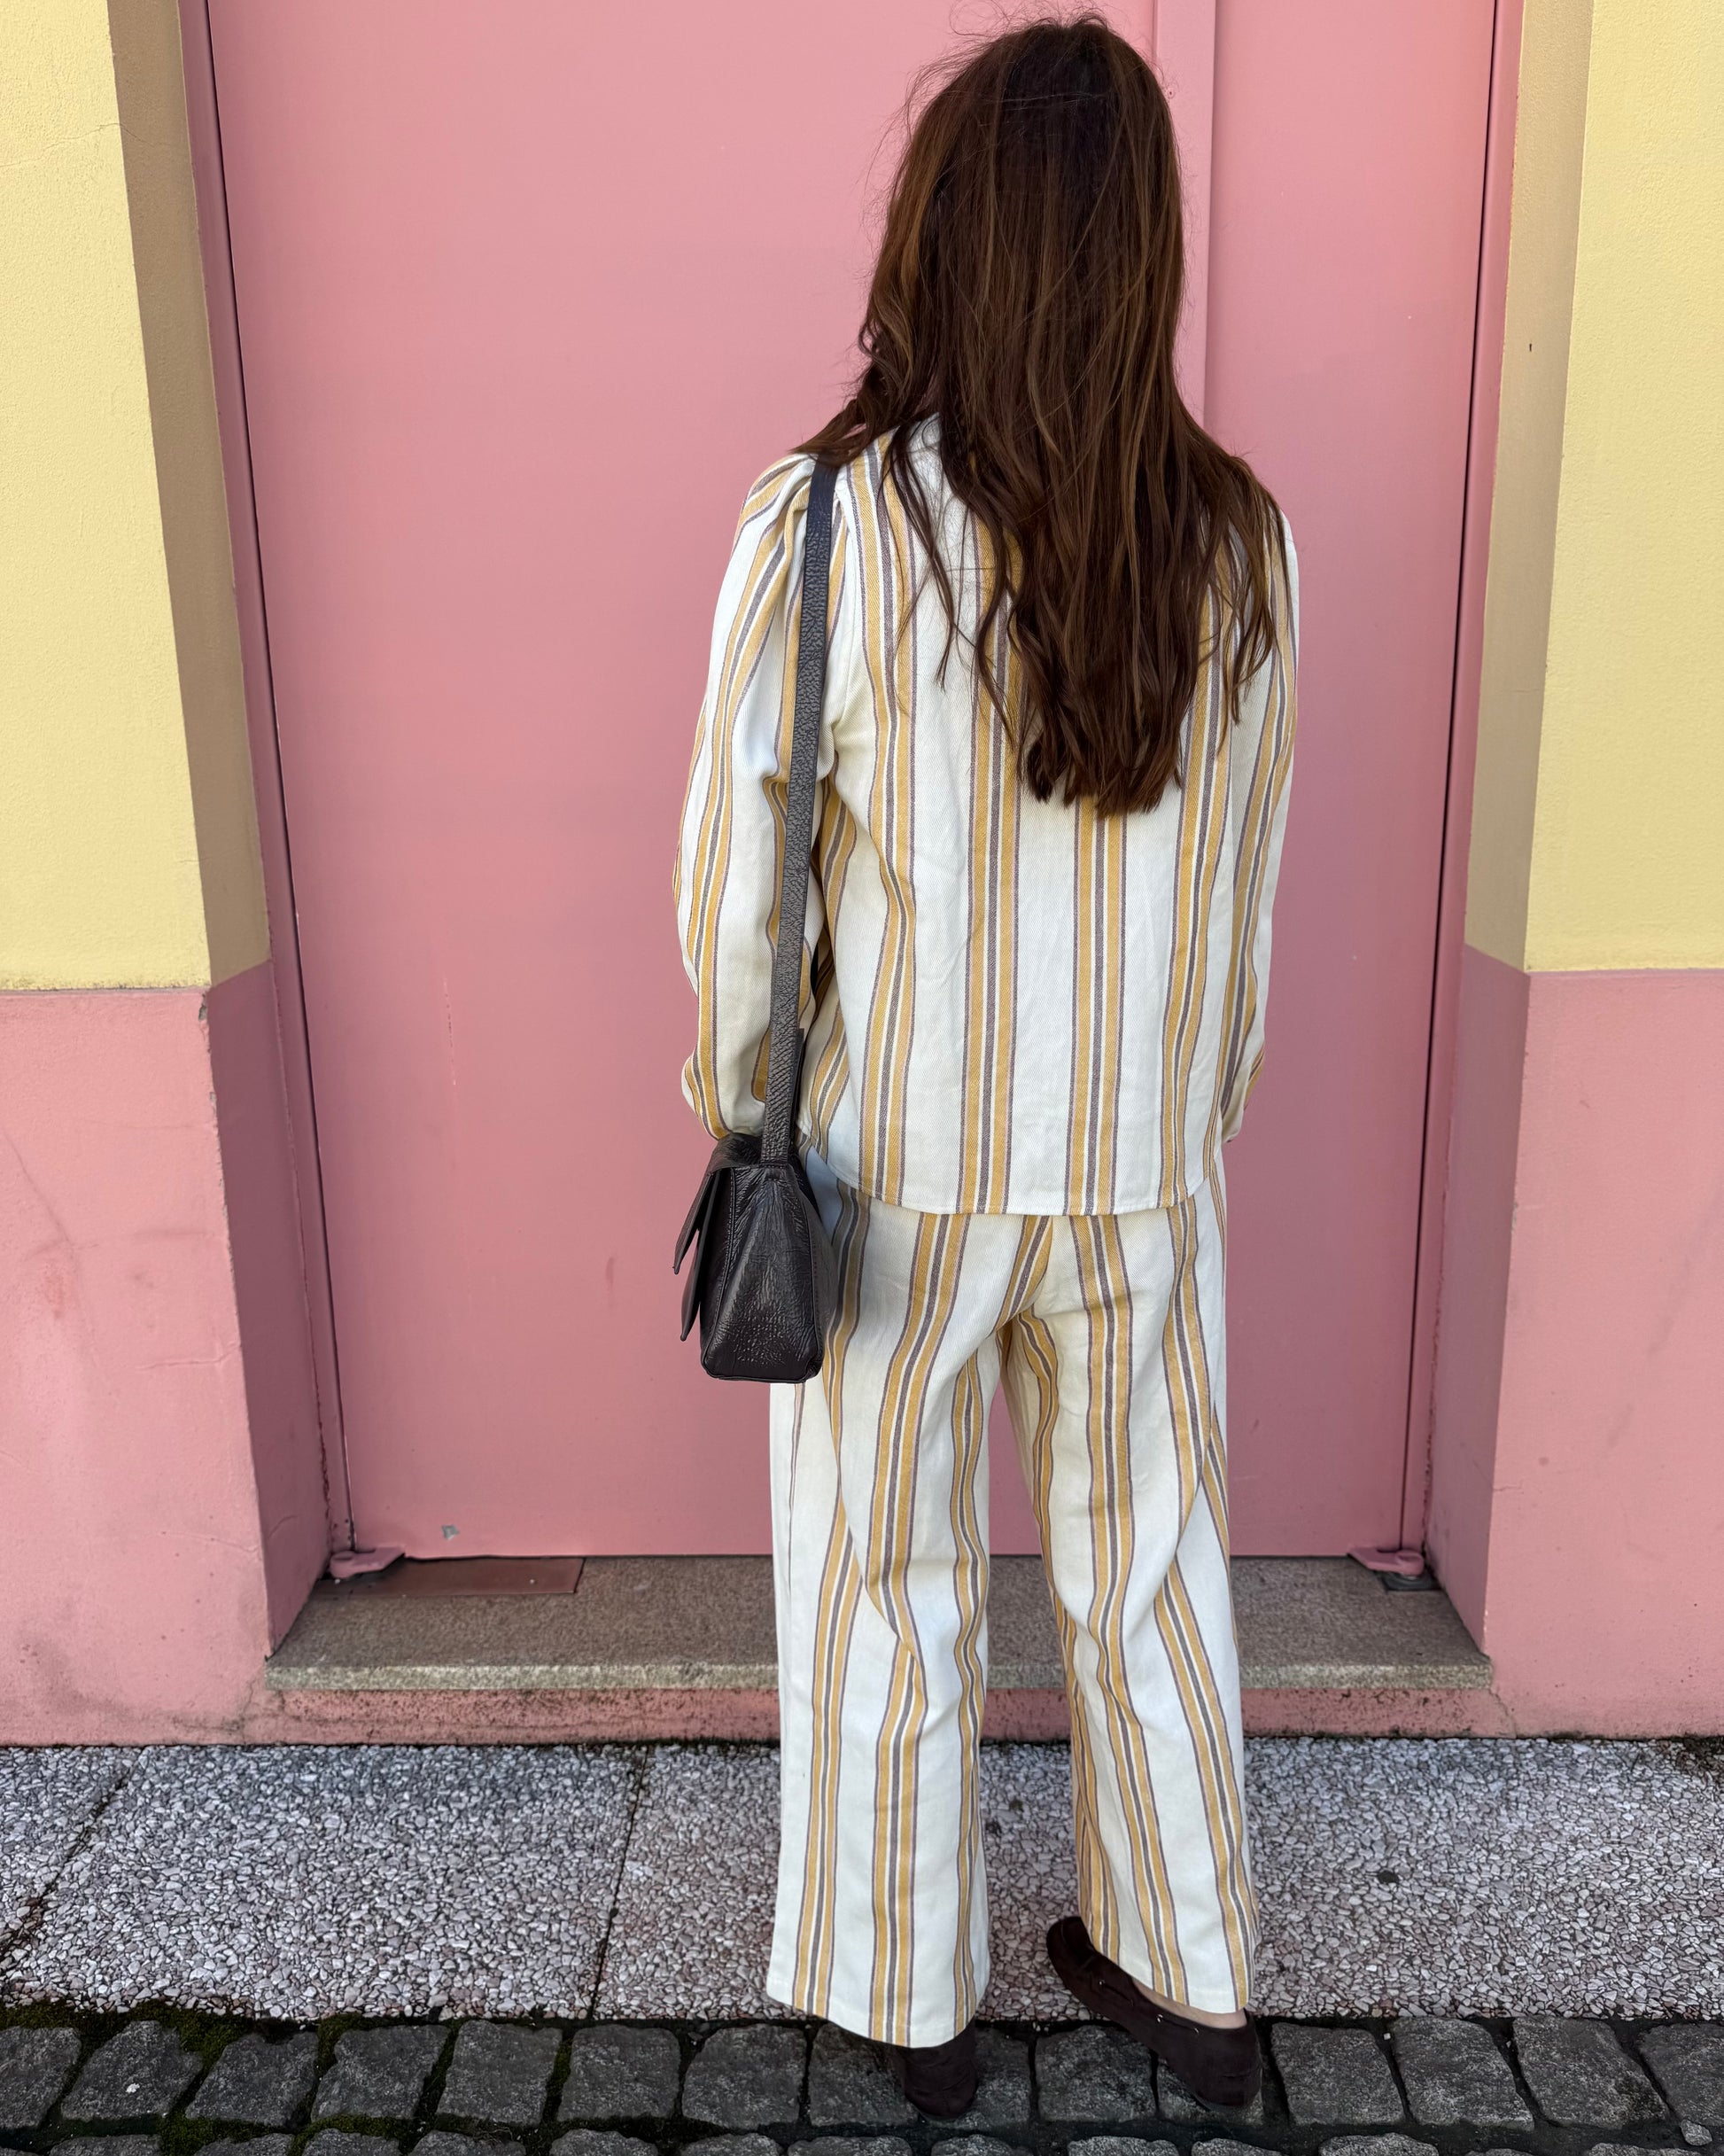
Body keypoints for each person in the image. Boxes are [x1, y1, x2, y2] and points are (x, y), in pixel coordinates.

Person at [675, 14, 1296, 2121]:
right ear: (1146, 255)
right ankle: (1192, 1981)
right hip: (1136, 1167)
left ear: (943, 235)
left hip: (897, 1174)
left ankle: (904, 2002)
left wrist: (743, 1105)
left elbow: (742, 884)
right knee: (1150, 1571)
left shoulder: (831, 527)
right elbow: (1241, 897)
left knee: (884, 1578)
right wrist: (1188, 1119)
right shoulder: (1240, 544)